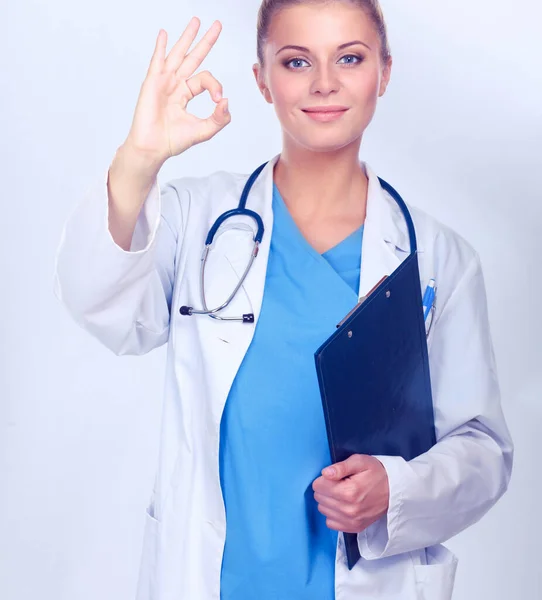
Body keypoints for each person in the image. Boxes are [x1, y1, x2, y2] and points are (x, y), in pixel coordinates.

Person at [54, 1, 513, 599]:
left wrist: (395, 490)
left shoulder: (436, 258)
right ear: (261, 80)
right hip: (213, 579)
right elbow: (100, 303)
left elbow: (483, 451)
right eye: (297, 61)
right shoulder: (198, 220)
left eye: (350, 57)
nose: (325, 82)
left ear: (385, 72)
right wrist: (138, 162)